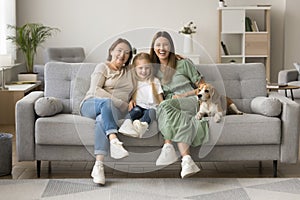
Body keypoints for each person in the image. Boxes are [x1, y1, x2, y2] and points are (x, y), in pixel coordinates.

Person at [149, 31, 209, 178]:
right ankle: (187, 161)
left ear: (171, 47)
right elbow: (136, 67)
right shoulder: (152, 69)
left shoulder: (183, 63)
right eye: (158, 45)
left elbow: (202, 85)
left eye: (165, 45)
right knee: (171, 112)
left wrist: (185, 95)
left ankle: (168, 145)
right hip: (171, 104)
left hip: (191, 99)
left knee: (164, 106)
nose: (161, 48)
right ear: (153, 48)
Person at [80, 38, 134, 185]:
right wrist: (121, 103)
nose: (122, 54)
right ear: (111, 51)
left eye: (127, 53)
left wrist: (177, 57)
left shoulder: (130, 71)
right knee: (106, 102)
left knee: (101, 121)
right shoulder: (103, 67)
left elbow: (148, 61)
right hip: (91, 104)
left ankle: (98, 166)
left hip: (112, 111)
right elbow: (95, 90)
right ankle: (113, 139)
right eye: (119, 50)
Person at [119, 52, 164, 138]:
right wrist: (131, 100)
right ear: (134, 69)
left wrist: (163, 109)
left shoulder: (155, 81)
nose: (144, 71)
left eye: (147, 68)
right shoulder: (134, 81)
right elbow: (129, 95)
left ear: (151, 68)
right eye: (140, 68)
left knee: (151, 113)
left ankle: (141, 126)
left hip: (152, 107)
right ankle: (126, 124)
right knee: (136, 111)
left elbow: (160, 99)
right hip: (139, 106)